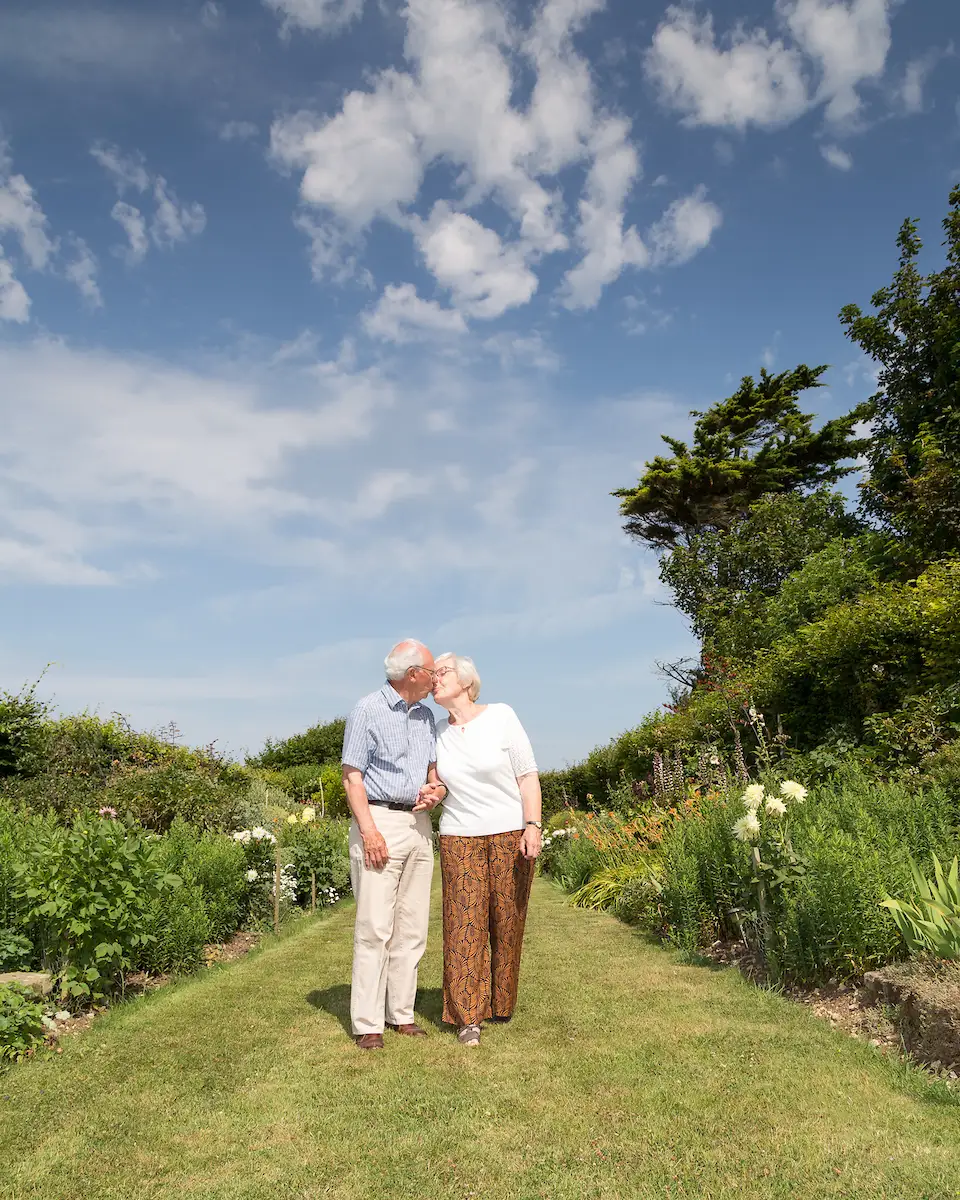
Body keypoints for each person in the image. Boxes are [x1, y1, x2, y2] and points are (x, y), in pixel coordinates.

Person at [430, 653, 542, 1047]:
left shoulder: (502, 716)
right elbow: (438, 782)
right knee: (464, 923)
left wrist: (533, 825)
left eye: (440, 672)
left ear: (465, 680)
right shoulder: (436, 732)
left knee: (507, 921)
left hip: (510, 831)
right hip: (459, 834)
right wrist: (434, 791)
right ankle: (467, 1017)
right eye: (431, 675)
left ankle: (501, 1001)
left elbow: (527, 776)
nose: (433, 679)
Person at [341, 640, 447, 1051]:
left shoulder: (427, 716)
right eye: (433, 671)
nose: (437, 677)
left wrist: (435, 792)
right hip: (379, 819)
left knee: (412, 926)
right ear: (413, 673)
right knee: (374, 927)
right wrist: (368, 830)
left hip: (418, 825)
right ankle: (368, 1023)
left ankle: (400, 1013)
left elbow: (433, 773)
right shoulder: (367, 709)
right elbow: (353, 777)